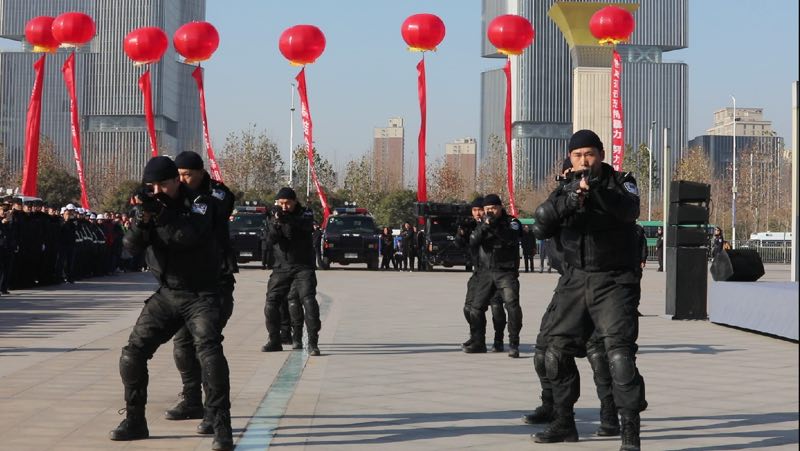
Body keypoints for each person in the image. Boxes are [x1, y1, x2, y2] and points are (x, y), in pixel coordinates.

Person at [531, 129, 646, 450]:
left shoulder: (621, 182)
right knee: (554, 352)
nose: (584, 161)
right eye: (578, 155)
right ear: (570, 158)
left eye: (590, 154)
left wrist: (595, 191)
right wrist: (569, 199)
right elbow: (541, 224)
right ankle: (563, 422)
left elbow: (629, 211)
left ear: (601, 155)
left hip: (614, 280)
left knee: (619, 356)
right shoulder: (565, 187)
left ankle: (629, 432)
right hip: (575, 279)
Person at [110, 156, 233, 450]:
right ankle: (135, 420)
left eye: (163, 184)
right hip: (168, 293)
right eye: (151, 186)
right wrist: (142, 220)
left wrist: (161, 214)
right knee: (132, 353)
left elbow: (187, 236)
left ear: (177, 181)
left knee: (208, 352)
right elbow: (130, 247)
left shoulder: (201, 203)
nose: (157, 191)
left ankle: (220, 425)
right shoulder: (150, 205)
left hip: (202, 293)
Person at [164, 151, 238, 436]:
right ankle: (191, 399)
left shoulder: (218, 194)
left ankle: (214, 411)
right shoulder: (175, 195)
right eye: (179, 175)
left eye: (188, 175)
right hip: (187, 282)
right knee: (182, 344)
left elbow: (215, 213)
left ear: (201, 172)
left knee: (206, 346)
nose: (183, 180)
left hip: (216, 280)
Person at [261, 187, 321, 356]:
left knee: (308, 300)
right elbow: (270, 239)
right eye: (281, 203)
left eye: (287, 203)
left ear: (294, 202)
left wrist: (286, 219)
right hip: (282, 266)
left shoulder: (305, 213)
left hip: (303, 266)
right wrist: (276, 222)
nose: (284, 206)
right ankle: (274, 339)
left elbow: (305, 227)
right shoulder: (274, 216)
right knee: (271, 302)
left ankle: (312, 342)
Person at [466, 194, 524, 358]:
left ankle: (513, 343)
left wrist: (495, 226)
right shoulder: (482, 223)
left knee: (511, 305)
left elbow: (511, 238)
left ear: (500, 208)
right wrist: (485, 226)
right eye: (487, 209)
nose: (490, 211)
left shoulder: (511, 222)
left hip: (505, 271)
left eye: (493, 208)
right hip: (486, 272)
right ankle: (479, 341)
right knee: (475, 308)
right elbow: (473, 241)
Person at [455, 196, 507, 353]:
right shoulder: (472, 225)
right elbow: (460, 244)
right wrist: (461, 234)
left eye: (480, 210)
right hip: (478, 272)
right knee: (469, 308)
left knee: (496, 307)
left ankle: (498, 339)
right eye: (474, 210)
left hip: (495, 271)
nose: (477, 213)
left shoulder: (495, 224)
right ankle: (476, 337)